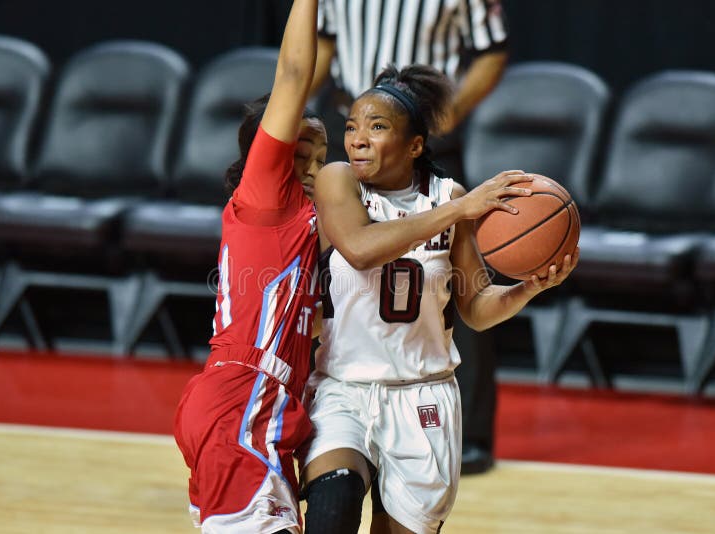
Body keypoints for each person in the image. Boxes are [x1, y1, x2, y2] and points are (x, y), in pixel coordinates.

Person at [301, 64, 578, 534]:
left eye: (377, 127)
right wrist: (459, 210)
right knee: (334, 505)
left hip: (423, 396)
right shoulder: (338, 180)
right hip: (343, 389)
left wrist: (529, 287)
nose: (357, 139)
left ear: (414, 146)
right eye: (351, 127)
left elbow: (475, 307)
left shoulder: (448, 196)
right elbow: (361, 249)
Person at [309, 0, 510, 474]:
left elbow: (492, 51)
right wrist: (294, 107)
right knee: (331, 274)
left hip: (421, 128)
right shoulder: (339, 169)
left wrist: (447, 113)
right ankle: (332, 412)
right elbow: (321, 43)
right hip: (350, 115)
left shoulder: (448, 188)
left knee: (454, 281)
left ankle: (471, 435)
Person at [172, 0, 327, 532]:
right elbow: (294, 75)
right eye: (300, 154)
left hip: (256, 404)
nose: (312, 168)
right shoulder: (264, 194)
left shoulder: (312, 223)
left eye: (320, 159)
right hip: (243, 399)